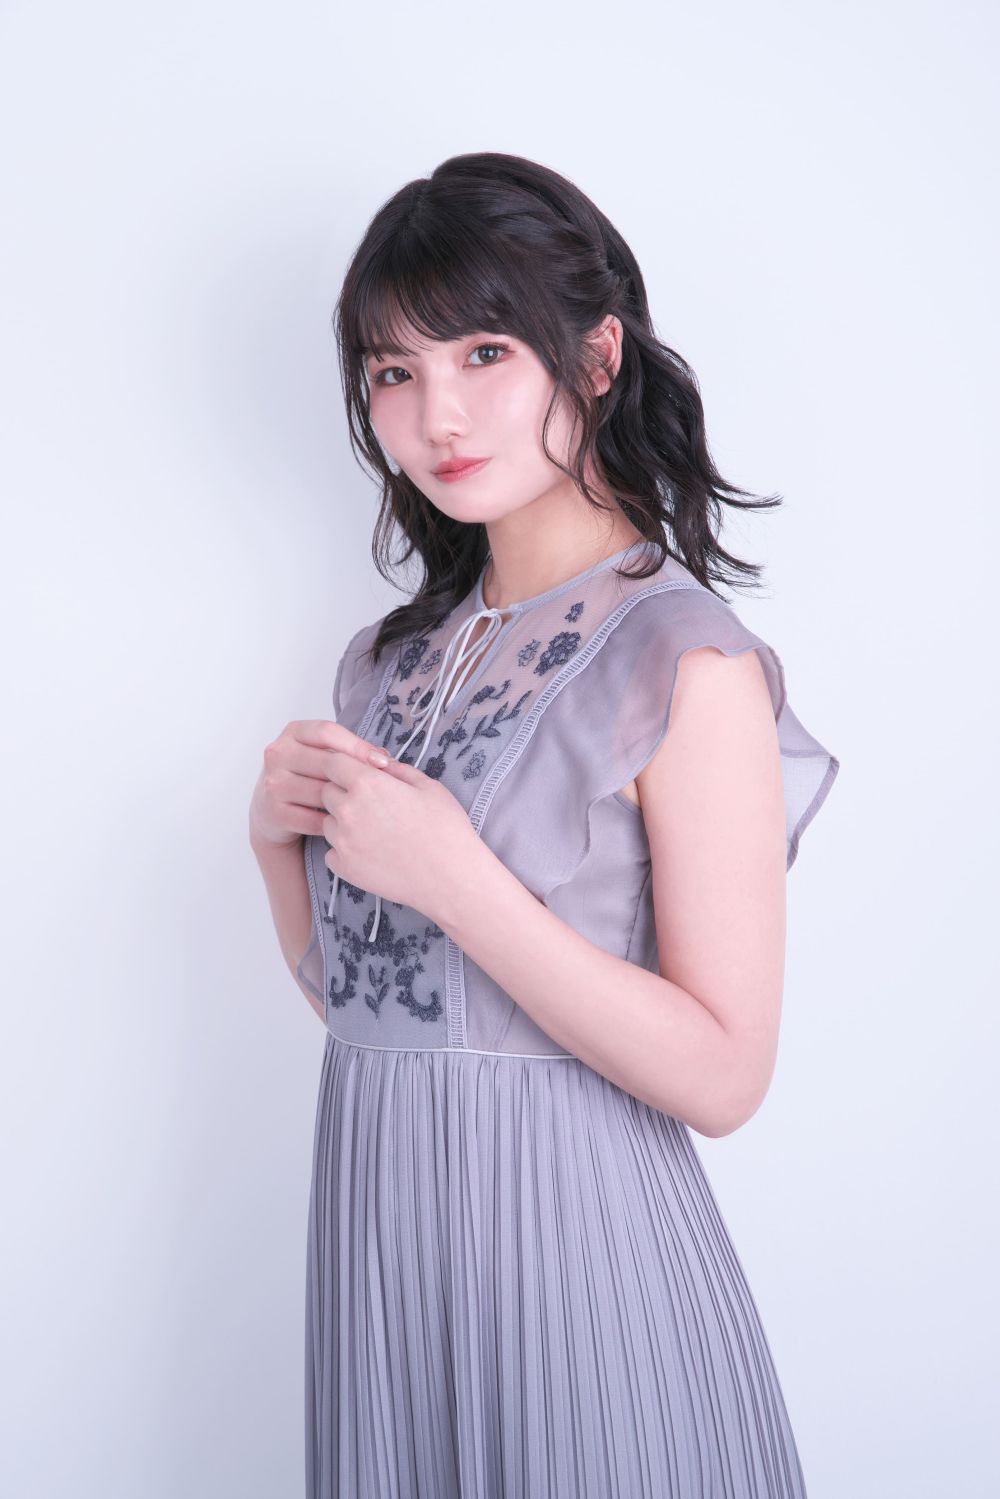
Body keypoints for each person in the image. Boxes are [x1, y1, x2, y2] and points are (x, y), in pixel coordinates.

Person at [249, 151, 840, 1498]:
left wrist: (458, 880)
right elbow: (381, 1013)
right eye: (393, 372)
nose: (437, 414)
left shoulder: (684, 661)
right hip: (387, 1266)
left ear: (598, 355)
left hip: (584, 1268)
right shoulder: (389, 665)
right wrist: (277, 851)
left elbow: (726, 1075)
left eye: (484, 353)